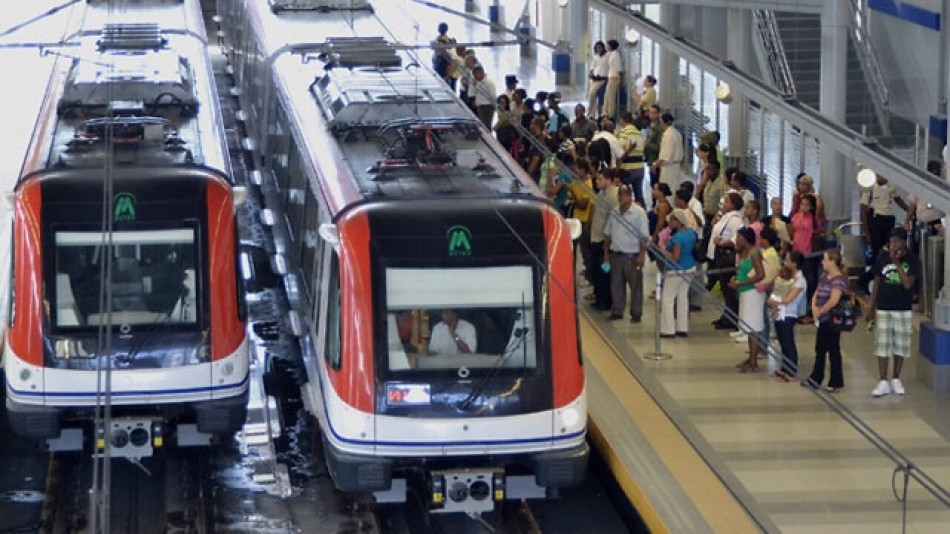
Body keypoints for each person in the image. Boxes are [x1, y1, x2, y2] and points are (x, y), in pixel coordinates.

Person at [867, 227, 920, 397]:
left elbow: (907, 284)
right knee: (882, 345)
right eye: (891, 242)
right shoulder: (882, 257)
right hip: (883, 306)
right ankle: (883, 380)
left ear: (904, 242)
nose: (893, 245)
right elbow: (877, 281)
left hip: (903, 308)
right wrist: (871, 306)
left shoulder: (912, 260)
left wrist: (896, 263)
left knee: (900, 345)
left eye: (896, 241)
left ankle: (896, 378)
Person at [803, 249, 850, 393]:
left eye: (825, 259)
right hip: (822, 319)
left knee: (833, 349)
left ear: (832, 262)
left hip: (831, 320)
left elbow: (834, 300)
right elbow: (816, 293)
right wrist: (814, 307)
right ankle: (816, 377)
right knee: (820, 349)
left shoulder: (839, 280)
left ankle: (835, 380)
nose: (822, 262)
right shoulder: (825, 276)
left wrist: (820, 310)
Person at [603, 185, 650, 322]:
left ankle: (636, 313)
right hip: (616, 254)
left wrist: (641, 255)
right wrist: (606, 255)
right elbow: (607, 234)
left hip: (632, 256)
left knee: (635, 286)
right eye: (619, 195)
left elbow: (644, 237)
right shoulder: (614, 212)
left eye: (623, 195)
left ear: (630, 196)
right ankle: (617, 310)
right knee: (616, 285)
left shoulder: (639, 213)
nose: (620, 198)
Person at [861, 173, 909, 288]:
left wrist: (909, 210)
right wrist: (866, 231)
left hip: (888, 219)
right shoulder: (870, 187)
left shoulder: (892, 185)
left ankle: (881, 276)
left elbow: (898, 199)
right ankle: (868, 278)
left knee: (887, 250)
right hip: (876, 219)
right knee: (877, 251)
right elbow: (863, 210)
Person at [730, 227, 766, 372]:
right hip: (745, 293)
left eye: (739, 238)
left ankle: (753, 361)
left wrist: (741, 283)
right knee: (748, 326)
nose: (737, 241)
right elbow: (742, 271)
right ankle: (751, 358)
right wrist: (736, 279)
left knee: (753, 328)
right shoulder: (743, 253)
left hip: (753, 294)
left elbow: (760, 274)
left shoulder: (754, 253)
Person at [709, 192, 745, 330]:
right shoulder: (725, 217)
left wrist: (723, 243)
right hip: (718, 256)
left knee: (729, 290)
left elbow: (738, 238)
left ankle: (732, 318)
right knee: (725, 289)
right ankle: (727, 315)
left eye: (727, 202)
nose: (724, 204)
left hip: (726, 258)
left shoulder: (735, 219)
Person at [769, 251, 807, 381]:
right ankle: (785, 368)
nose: (785, 262)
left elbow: (788, 299)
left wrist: (774, 301)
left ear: (794, 264)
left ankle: (791, 371)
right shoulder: (790, 278)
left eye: (787, 260)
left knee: (788, 342)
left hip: (789, 313)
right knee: (783, 342)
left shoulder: (800, 281)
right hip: (781, 312)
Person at [660, 209, 698, 337]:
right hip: (690, 267)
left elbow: (675, 258)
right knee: (683, 297)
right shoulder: (691, 233)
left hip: (676, 270)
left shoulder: (677, 238)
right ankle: (682, 327)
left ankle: (668, 329)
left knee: (667, 299)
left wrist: (663, 249)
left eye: (671, 220)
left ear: (678, 221)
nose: (669, 222)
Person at [589, 169, 621, 310]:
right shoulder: (601, 194)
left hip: (604, 241)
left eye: (600, 179)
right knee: (597, 272)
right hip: (596, 238)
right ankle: (600, 297)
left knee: (605, 272)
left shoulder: (613, 196)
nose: (597, 182)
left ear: (609, 180)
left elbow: (615, 221)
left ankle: (607, 301)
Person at [789, 193, 819, 322]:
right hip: (796, 251)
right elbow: (791, 231)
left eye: (807, 205)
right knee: (796, 281)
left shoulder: (813, 218)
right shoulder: (795, 216)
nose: (803, 207)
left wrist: (815, 196)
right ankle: (797, 310)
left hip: (808, 253)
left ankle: (810, 311)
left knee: (809, 282)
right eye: (802, 204)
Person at [617, 111, 646, 205]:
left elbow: (620, 151)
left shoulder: (624, 133)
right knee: (639, 195)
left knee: (624, 193)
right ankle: (643, 215)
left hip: (627, 169)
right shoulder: (639, 133)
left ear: (622, 121)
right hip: (640, 167)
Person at [652, 113, 684, 187]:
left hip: (669, 168)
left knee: (668, 190)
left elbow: (666, 156)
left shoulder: (668, 135)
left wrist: (655, 164)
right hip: (675, 166)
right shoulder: (677, 133)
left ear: (662, 122)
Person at [588, 41, 609, 118]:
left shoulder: (607, 56)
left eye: (600, 48)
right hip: (595, 79)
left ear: (603, 48)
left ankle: (591, 112)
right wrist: (591, 74)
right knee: (592, 96)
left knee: (592, 93)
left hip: (602, 79)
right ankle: (591, 113)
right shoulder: (595, 57)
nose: (599, 49)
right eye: (597, 48)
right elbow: (592, 67)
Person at [643, 105, 663, 187]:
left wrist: (647, 145)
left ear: (659, 114)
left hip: (656, 160)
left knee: (655, 184)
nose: (652, 115)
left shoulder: (659, 128)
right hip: (650, 159)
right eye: (650, 113)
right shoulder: (651, 125)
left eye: (654, 113)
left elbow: (659, 147)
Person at [603, 40, 622, 119]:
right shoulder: (612, 54)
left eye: (607, 45)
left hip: (614, 78)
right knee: (607, 97)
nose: (606, 47)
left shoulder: (616, 55)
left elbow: (618, 68)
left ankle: (610, 115)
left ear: (611, 46)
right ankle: (605, 114)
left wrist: (617, 77)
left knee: (611, 98)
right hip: (611, 77)